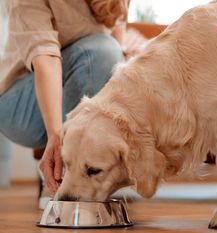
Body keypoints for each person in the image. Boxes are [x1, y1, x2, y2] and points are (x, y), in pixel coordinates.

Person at [0, 0, 129, 196]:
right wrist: (56, 135)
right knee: (101, 51)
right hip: (19, 103)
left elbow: (118, 40)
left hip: (75, 79)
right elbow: (46, 58)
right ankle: (61, 181)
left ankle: (78, 181)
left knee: (109, 52)